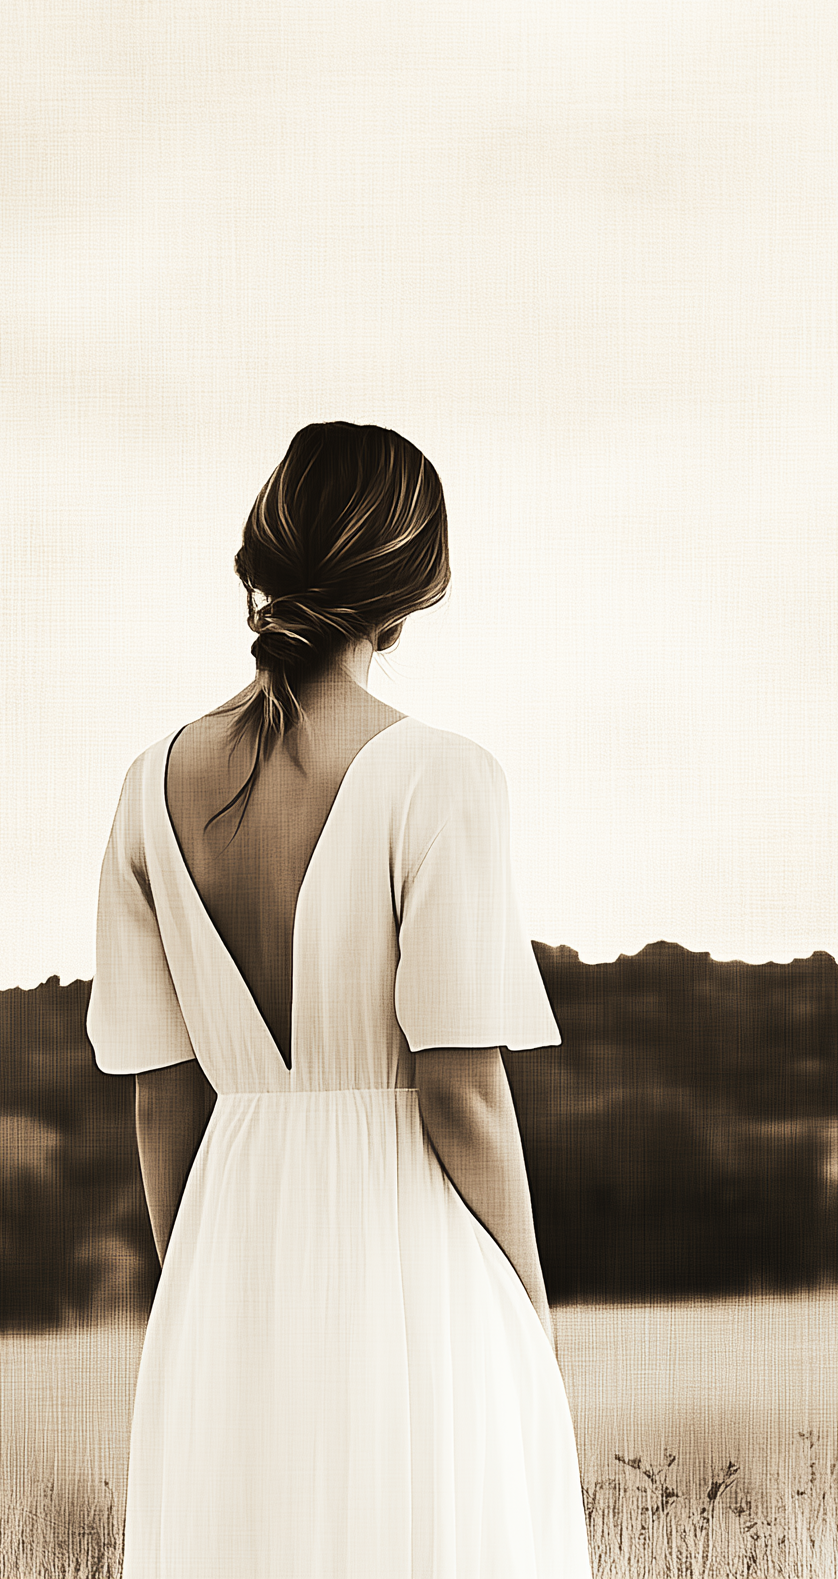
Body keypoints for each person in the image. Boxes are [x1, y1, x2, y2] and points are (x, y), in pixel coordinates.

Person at [87, 421, 593, 1578]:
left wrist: (202, 1291)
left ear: (262, 557)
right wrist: (527, 1319)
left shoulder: (147, 785)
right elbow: (464, 1096)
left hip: (226, 1263)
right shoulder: (443, 776)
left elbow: (162, 1100)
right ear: (414, 592)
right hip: (413, 1267)